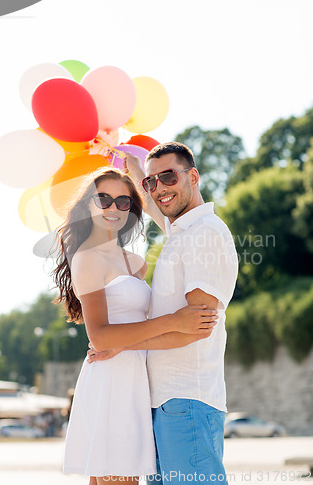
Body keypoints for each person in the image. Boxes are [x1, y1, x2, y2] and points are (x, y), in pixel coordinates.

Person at [51, 166, 218, 485]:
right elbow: (99, 337)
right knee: (119, 480)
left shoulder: (134, 263)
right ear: (88, 204)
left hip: (136, 378)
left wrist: (138, 172)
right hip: (113, 379)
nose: (113, 208)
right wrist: (175, 321)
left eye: (123, 202)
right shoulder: (87, 257)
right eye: (103, 199)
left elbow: (182, 228)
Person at [87, 143, 238, 484]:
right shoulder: (181, 232)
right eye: (151, 182)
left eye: (168, 177)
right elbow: (159, 208)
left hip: (187, 401)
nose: (159, 188)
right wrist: (132, 167)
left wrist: (122, 345)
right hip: (164, 402)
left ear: (193, 176)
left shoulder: (205, 234)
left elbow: (194, 326)